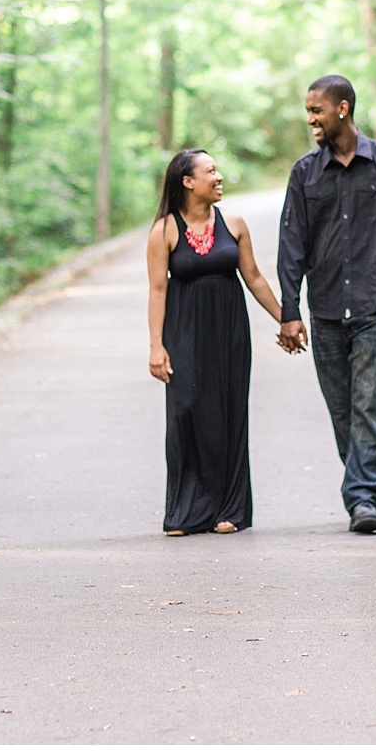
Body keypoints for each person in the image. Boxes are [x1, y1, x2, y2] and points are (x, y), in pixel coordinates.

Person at [277, 75, 376, 534]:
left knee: (369, 406)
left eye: (316, 111)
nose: (310, 120)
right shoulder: (305, 174)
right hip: (326, 311)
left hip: (372, 310)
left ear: (343, 108)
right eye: (308, 112)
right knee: (343, 409)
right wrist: (290, 309)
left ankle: (364, 498)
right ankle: (362, 487)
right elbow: (292, 242)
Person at [146, 148, 287, 536]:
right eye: (210, 171)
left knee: (228, 413)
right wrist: (156, 346)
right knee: (186, 412)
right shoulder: (164, 230)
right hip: (184, 332)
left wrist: (286, 319)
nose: (219, 176)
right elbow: (158, 290)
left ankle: (230, 509)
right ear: (188, 182)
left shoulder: (234, 222)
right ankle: (185, 512)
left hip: (229, 334)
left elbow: (254, 278)